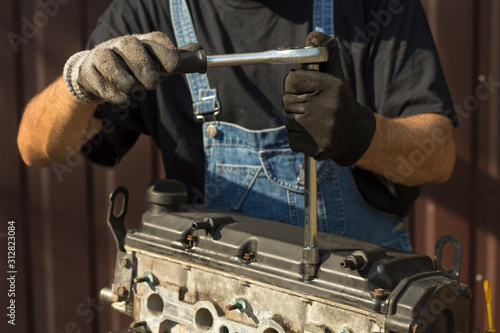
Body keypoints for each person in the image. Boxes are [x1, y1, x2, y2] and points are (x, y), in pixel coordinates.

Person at [17, 0, 459, 251]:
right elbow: (35, 148)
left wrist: (362, 134)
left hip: (357, 289)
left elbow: (438, 156)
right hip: (219, 297)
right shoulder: (145, 11)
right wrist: (79, 84)